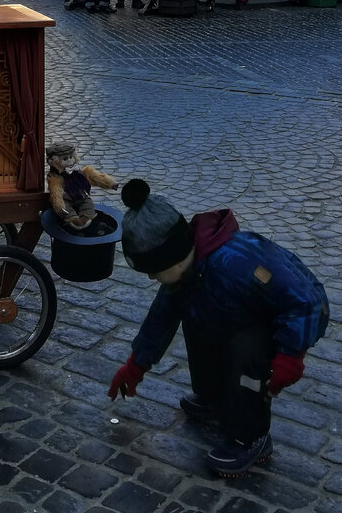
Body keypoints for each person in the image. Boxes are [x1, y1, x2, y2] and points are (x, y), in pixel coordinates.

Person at [108, 179, 329, 479]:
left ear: (170, 255)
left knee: (245, 348)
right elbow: (160, 318)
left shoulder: (237, 261)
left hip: (272, 332)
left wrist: (291, 355)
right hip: (231, 319)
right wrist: (135, 366)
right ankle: (215, 398)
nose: (150, 278)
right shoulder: (185, 272)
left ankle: (251, 436)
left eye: (153, 270)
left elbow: (307, 300)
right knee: (196, 317)